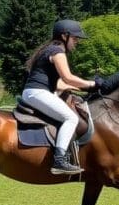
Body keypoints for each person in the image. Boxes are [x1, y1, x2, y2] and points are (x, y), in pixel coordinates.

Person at [22, 19, 105, 175]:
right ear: (64, 36)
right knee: (71, 118)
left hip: (35, 92)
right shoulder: (57, 51)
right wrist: (93, 84)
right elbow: (68, 77)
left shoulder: (49, 49)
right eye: (75, 38)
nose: (77, 42)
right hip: (38, 93)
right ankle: (59, 160)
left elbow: (60, 83)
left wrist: (79, 87)